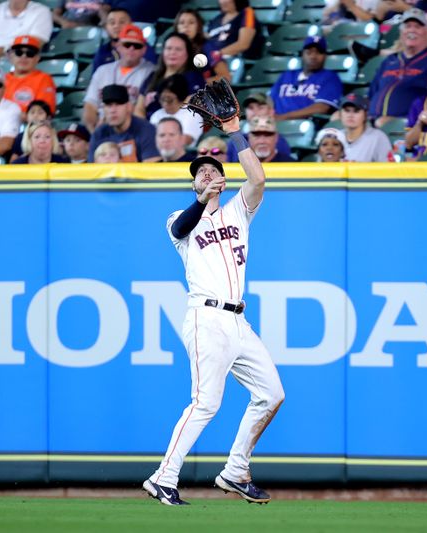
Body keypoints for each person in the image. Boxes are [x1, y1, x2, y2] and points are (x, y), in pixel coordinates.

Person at [143, 112, 284, 507]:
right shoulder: (182, 220)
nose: (205, 175)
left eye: (211, 170)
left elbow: (257, 179)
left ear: (223, 179)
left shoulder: (239, 211)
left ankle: (236, 471)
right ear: (193, 184)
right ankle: (163, 478)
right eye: (198, 173)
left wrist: (236, 132)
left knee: (271, 394)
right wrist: (199, 200)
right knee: (205, 402)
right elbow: (179, 229)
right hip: (205, 317)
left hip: (238, 321)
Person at [83, 23, 156, 131]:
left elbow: (141, 110)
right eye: (127, 44)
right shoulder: (102, 70)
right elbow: (90, 105)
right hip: (101, 126)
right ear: (118, 47)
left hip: (131, 127)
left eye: (137, 46)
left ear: (144, 50)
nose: (131, 49)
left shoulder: (151, 72)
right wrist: (94, 133)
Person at [270, 36, 342, 121]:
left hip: (305, 125)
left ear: (325, 56)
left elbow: (321, 108)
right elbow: (270, 99)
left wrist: (284, 117)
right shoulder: (287, 75)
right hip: (275, 123)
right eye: (309, 52)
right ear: (302, 54)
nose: (313, 56)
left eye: (319, 52)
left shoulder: (330, 77)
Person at [134, 33, 204, 119]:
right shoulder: (153, 77)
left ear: (188, 54)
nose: (172, 52)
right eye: (168, 48)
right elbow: (139, 108)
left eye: (178, 49)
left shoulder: (194, 78)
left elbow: (186, 111)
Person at [87, 84, 160, 162]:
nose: (113, 110)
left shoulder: (146, 130)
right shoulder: (99, 134)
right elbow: (92, 170)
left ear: (129, 107)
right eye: (109, 105)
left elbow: (151, 170)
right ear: (103, 109)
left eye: (118, 104)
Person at [225, 93, 292, 162]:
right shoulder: (234, 142)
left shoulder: (279, 142)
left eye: (260, 107)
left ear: (271, 111)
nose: (255, 112)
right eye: (251, 108)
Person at [90, 7, 157, 71]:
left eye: (122, 22)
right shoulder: (102, 51)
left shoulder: (141, 48)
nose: (116, 26)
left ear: (131, 25)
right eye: (112, 23)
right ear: (106, 27)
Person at [174, 8, 231, 83]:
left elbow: (225, 77)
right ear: (176, 27)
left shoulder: (208, 47)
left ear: (198, 27)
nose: (186, 26)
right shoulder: (171, 49)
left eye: (191, 22)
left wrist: (198, 84)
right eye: (181, 23)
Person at [4, 35, 57, 114]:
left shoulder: (44, 79)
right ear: (11, 56)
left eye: (30, 53)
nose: (24, 56)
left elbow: (43, 114)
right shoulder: (1, 79)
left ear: (37, 58)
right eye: (19, 52)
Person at [148, 74, 204, 147]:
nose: (165, 95)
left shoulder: (192, 114)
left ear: (180, 95)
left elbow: (186, 140)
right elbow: (149, 139)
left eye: (170, 92)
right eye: (162, 93)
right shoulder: (156, 114)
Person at [334, 93, 393, 162]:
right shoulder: (335, 137)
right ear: (340, 114)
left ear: (365, 115)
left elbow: (388, 169)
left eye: (356, 111)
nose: (350, 115)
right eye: (347, 111)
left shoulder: (378, 138)